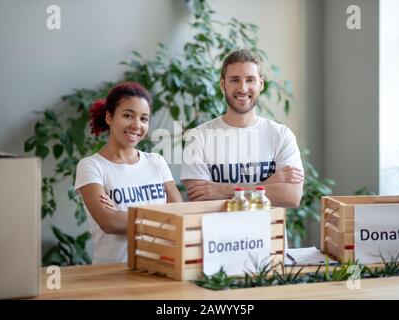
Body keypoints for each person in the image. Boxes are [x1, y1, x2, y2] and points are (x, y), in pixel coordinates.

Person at [181, 49, 304, 208]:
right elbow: (200, 199)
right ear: (222, 84)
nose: (243, 88)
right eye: (235, 80)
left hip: (269, 232)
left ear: (261, 83)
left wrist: (225, 190)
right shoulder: (198, 137)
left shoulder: (281, 135)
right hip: (217, 232)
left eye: (250, 80)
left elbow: (291, 197)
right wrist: (269, 184)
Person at [75, 82, 182, 264]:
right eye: (128, 115)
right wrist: (162, 216)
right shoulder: (92, 166)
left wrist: (124, 215)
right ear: (109, 117)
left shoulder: (156, 162)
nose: (136, 125)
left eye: (144, 119)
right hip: (112, 273)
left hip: (160, 267)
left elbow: (179, 213)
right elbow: (110, 223)